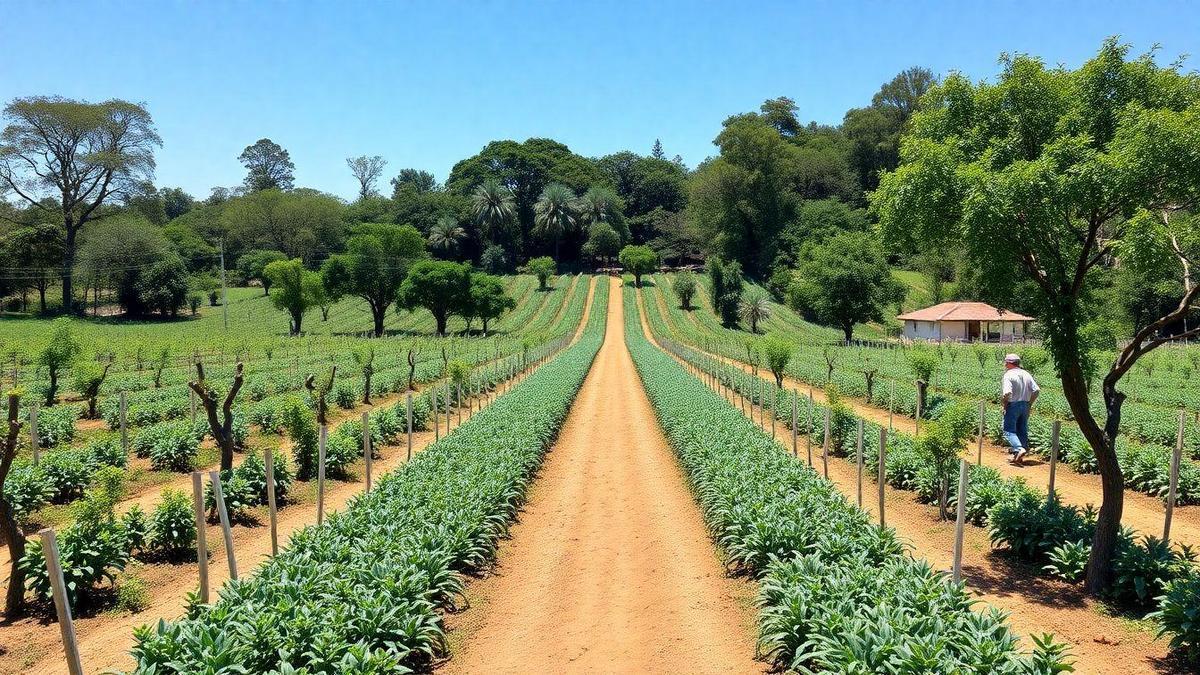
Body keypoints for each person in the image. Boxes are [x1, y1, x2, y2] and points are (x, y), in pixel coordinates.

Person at [1001, 353, 1039, 465]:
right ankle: (1019, 456)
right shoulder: (1026, 373)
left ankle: (1018, 449)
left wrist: (1004, 405)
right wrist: (1029, 404)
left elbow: (1007, 392)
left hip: (1013, 405)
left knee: (1008, 431)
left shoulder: (1008, 375)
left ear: (1009, 363)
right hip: (1025, 404)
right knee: (1022, 430)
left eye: (1005, 363)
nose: (1005, 365)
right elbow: (1036, 390)